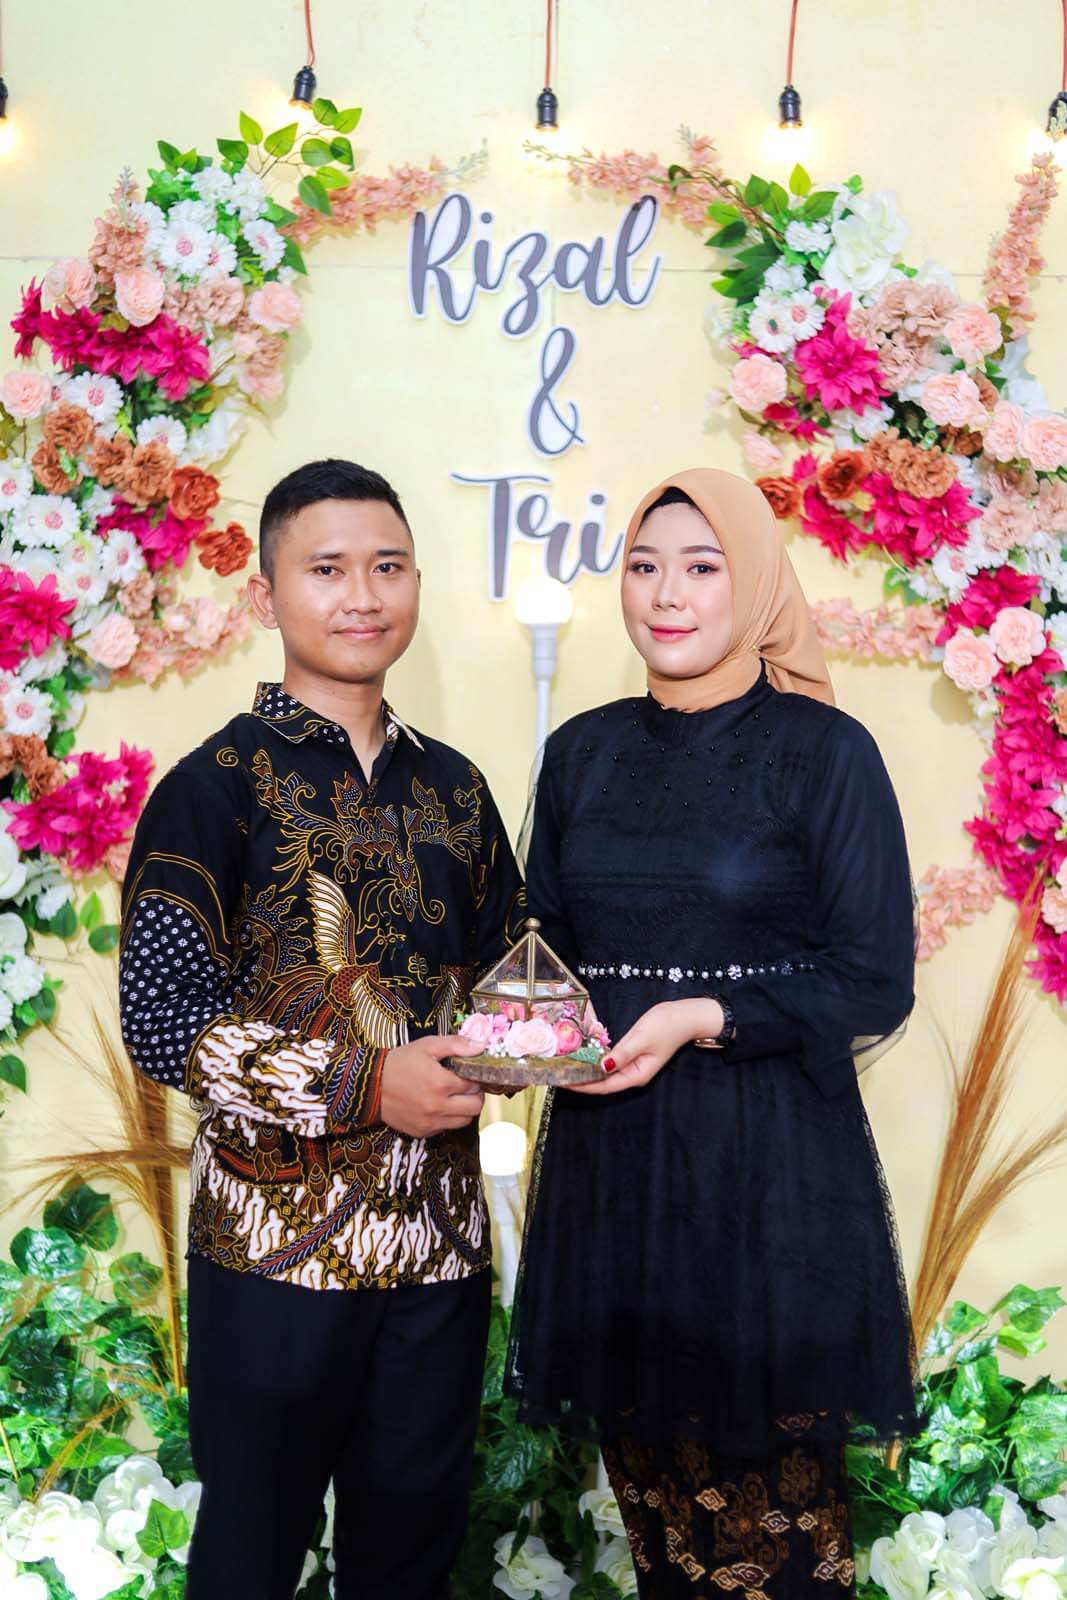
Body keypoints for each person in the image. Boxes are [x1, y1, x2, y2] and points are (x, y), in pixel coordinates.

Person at [507, 468, 918, 1599]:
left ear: (757, 584)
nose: (665, 594)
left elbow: (873, 980)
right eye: (643, 566)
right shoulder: (581, 753)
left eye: (700, 566)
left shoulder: (822, 752)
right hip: (612, 1172)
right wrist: (537, 1023)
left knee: (769, 1551)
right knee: (660, 1538)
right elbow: (543, 939)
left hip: (765, 1180)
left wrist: (707, 1015)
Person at [119, 458, 525, 1600]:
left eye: (388, 567)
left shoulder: (456, 790)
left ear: (416, 584)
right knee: (249, 1556)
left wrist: (548, 1039)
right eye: (329, 569)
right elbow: (162, 1019)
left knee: (411, 1560)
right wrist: (366, 1083)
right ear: (267, 595)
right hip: (271, 1253)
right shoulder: (213, 787)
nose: (362, 596)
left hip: (439, 1250)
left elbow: (513, 975)